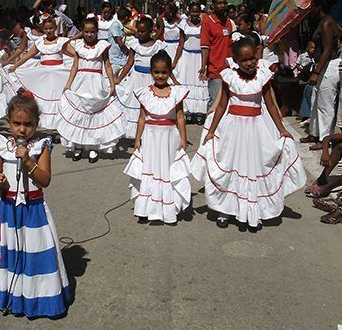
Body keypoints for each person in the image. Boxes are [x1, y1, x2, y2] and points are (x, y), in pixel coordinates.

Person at [190, 35, 306, 230]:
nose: (249, 63)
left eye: (252, 58)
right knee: (231, 164)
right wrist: (211, 130)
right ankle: (225, 210)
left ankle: (254, 211)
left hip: (255, 130)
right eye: (244, 60)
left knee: (253, 167)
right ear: (236, 61)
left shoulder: (263, 76)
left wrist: (282, 129)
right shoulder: (230, 77)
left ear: (257, 56)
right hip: (232, 130)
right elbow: (221, 107)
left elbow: (270, 105)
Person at [0, 90, 70, 318]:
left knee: (36, 254)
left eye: (28, 124)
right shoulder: (2, 146)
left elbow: (45, 180)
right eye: (17, 124)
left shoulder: (41, 146)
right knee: (14, 252)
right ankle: (15, 297)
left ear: (36, 123)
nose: (22, 129)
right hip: (9, 210)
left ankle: (41, 300)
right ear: (8, 122)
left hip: (33, 210)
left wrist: (28, 161)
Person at [123, 50, 191, 224]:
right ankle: (145, 208)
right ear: (151, 72)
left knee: (167, 170)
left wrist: (184, 138)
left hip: (169, 138)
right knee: (151, 169)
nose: (160, 76)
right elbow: (142, 118)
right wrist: (137, 139)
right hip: (151, 138)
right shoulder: (144, 92)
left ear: (169, 72)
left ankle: (168, 209)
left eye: (164, 72)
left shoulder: (176, 92)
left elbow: (180, 117)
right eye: (156, 72)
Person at [57, 18, 125, 163]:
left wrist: (112, 84)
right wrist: (68, 84)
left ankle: (93, 146)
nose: (89, 34)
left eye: (92, 32)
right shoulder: (78, 45)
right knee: (79, 114)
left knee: (94, 115)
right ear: (82, 31)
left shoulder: (102, 45)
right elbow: (75, 65)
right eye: (86, 32)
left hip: (96, 82)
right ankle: (78, 145)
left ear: (97, 32)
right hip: (80, 82)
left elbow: (107, 65)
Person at [5, 18, 71, 131]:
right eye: (46, 29)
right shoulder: (40, 42)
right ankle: (49, 127)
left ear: (55, 28)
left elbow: (75, 54)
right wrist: (15, 66)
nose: (49, 31)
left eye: (51, 28)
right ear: (43, 29)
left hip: (59, 74)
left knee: (59, 98)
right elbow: (28, 55)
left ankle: (61, 126)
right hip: (44, 74)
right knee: (46, 98)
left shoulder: (62, 41)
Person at [115, 17, 168, 138]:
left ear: (150, 31)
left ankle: (150, 134)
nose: (139, 33)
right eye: (138, 30)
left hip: (151, 80)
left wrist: (173, 80)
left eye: (143, 31)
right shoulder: (134, 44)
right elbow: (129, 64)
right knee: (135, 105)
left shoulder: (157, 46)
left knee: (151, 105)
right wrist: (119, 79)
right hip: (136, 80)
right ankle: (138, 135)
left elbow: (165, 65)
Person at [301, 0, 341, 150]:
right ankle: (314, 133)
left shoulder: (327, 23)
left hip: (329, 67)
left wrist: (317, 72)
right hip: (322, 66)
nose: (310, 10)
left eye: (312, 7)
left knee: (326, 104)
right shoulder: (321, 22)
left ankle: (325, 139)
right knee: (316, 100)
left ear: (319, 7)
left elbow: (327, 49)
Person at [176, 2, 208, 125]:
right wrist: (175, 61)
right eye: (192, 11)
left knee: (200, 82)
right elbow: (181, 44)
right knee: (187, 82)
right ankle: (188, 111)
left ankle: (200, 112)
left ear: (200, 12)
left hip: (199, 56)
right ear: (188, 11)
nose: (195, 14)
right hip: (187, 57)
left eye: (197, 11)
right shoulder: (183, 24)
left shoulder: (205, 25)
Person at [107, 7, 131, 78]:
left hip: (121, 59)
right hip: (114, 60)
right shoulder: (116, 25)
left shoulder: (121, 26)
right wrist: (129, 52)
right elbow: (120, 43)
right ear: (126, 17)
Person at [160, 1, 183, 65]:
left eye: (165, 10)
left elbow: (182, 41)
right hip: (166, 48)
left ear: (171, 11)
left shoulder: (181, 22)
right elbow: (159, 34)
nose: (164, 12)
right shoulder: (164, 21)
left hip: (177, 49)